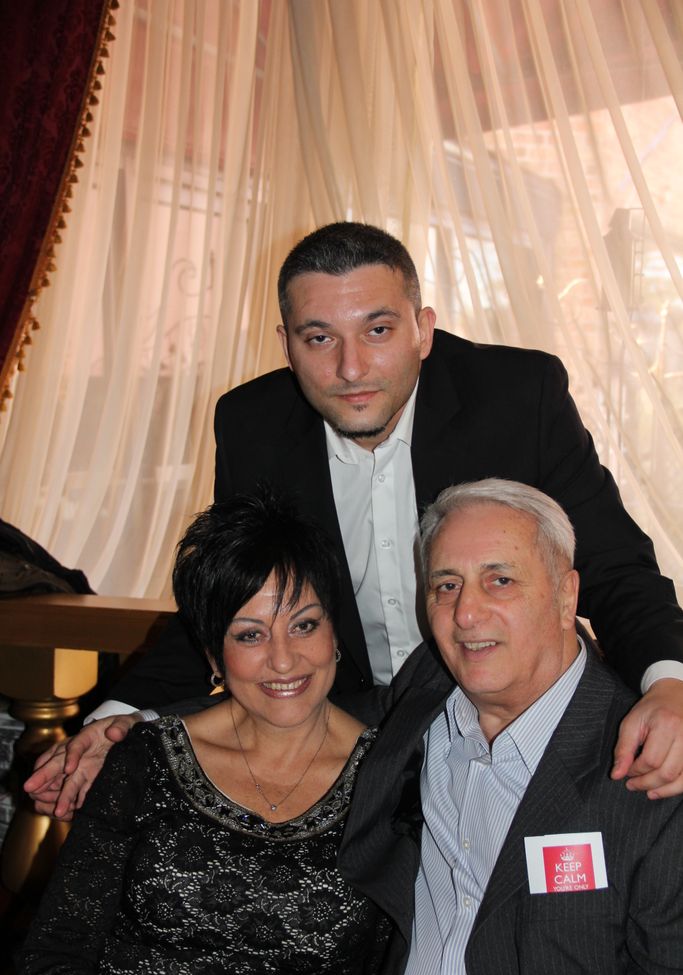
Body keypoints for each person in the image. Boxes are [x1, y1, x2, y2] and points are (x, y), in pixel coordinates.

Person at [25, 221, 683, 818]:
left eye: (378, 331)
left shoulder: (515, 396)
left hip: (516, 719)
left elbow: (613, 567)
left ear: (423, 329)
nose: (350, 368)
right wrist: (116, 716)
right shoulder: (253, 425)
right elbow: (228, 603)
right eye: (320, 338)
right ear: (286, 345)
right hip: (345, 739)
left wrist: (671, 682)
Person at [18, 491, 388, 975]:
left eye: (304, 625)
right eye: (250, 635)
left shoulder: (387, 779)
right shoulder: (146, 761)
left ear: (335, 635)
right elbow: (53, 960)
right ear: (214, 655)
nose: (284, 660)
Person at [337, 479, 683, 975]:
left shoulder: (653, 766)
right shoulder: (425, 689)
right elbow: (305, 706)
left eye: (500, 580)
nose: (466, 613)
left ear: (566, 596)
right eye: (446, 585)